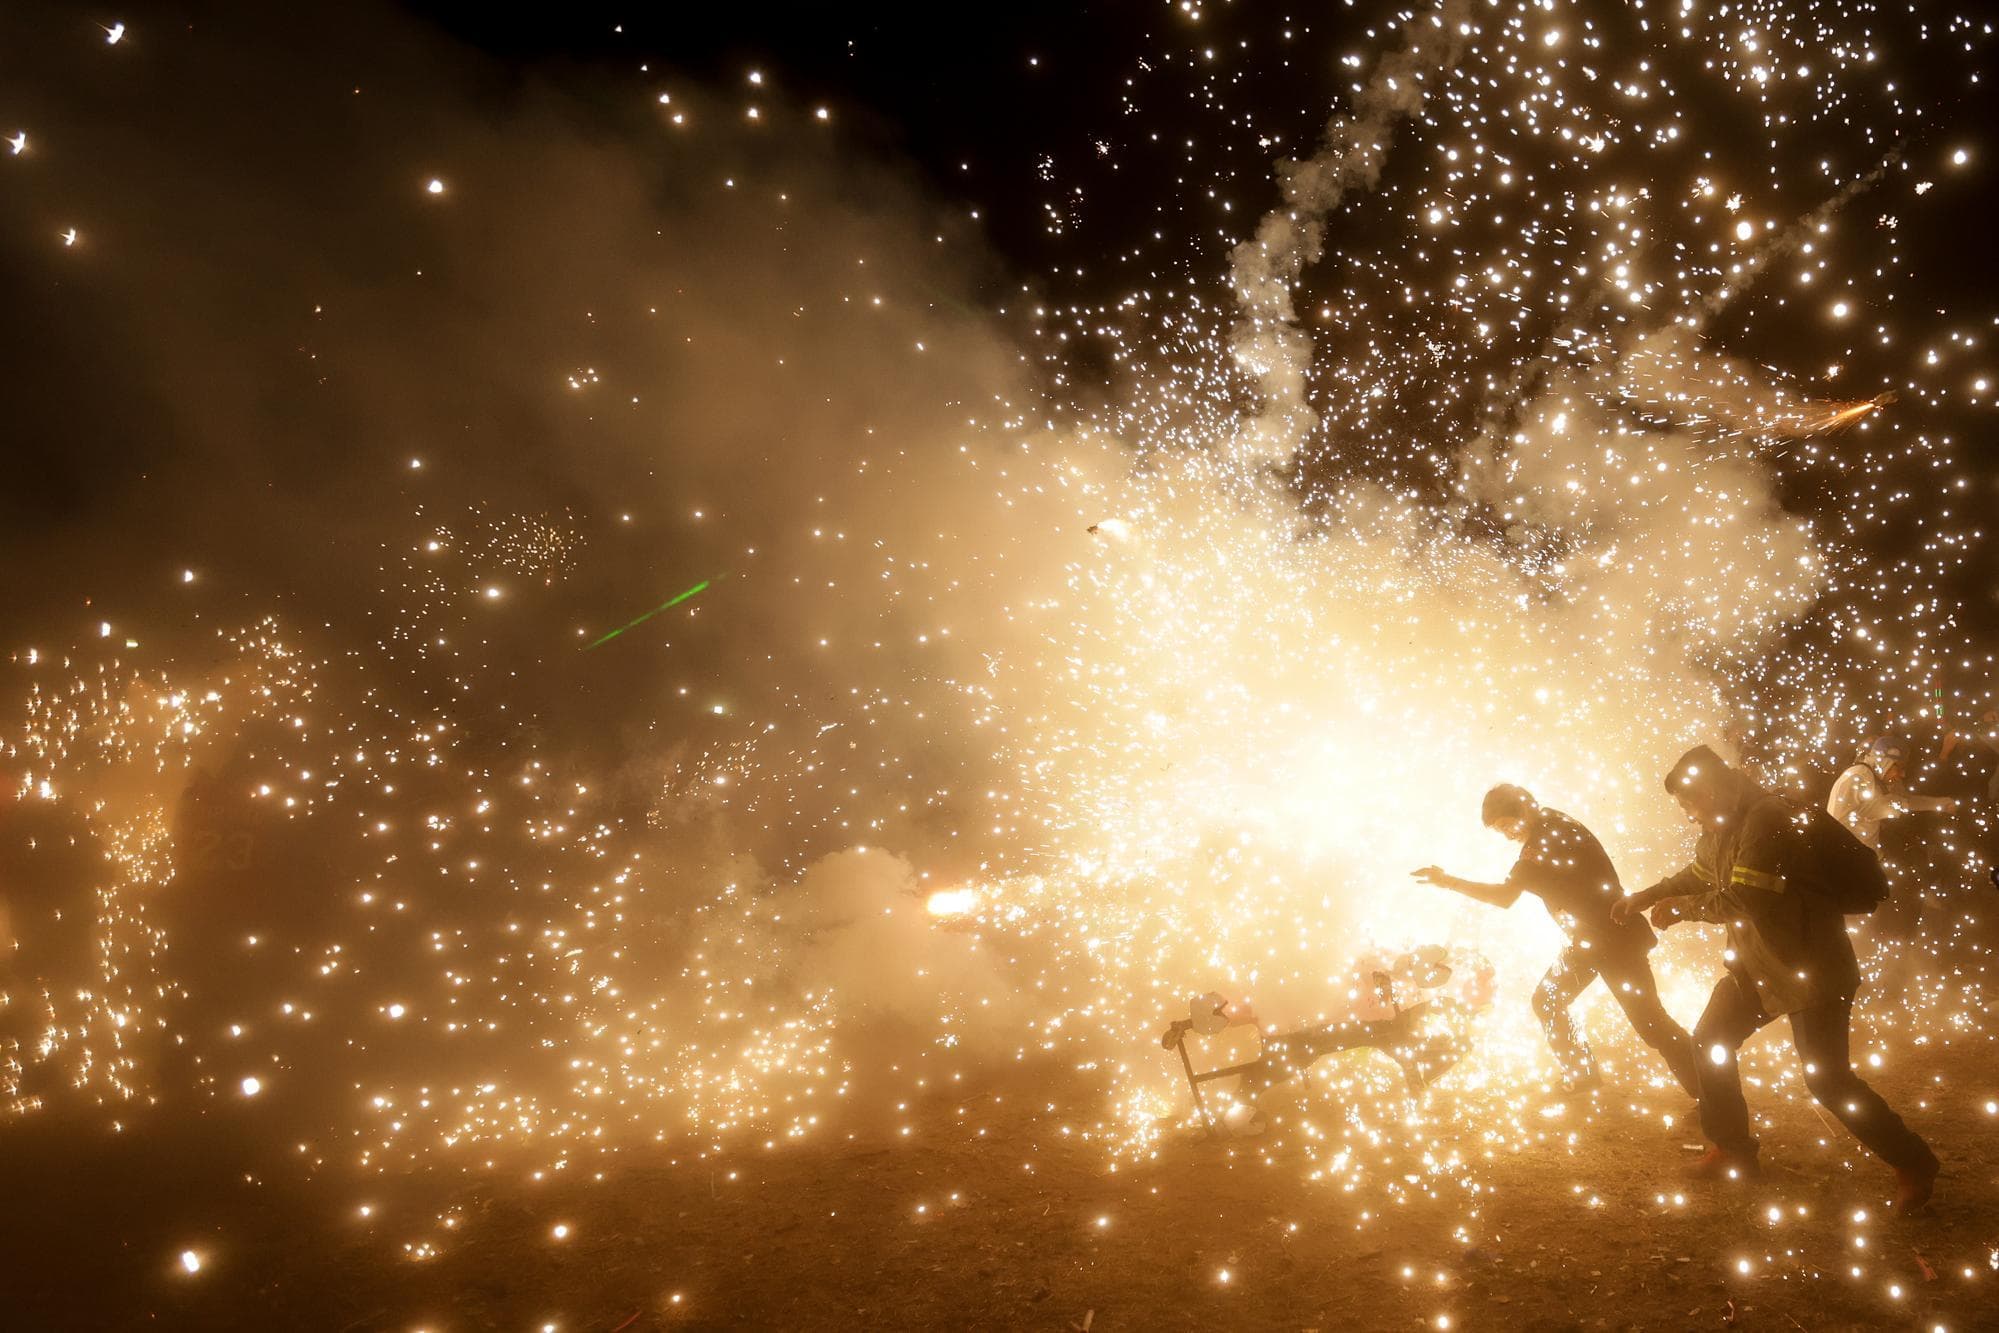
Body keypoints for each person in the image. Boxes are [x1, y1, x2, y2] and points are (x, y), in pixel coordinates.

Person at [1611, 746, 1939, 1213]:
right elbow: (1701, 872)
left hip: (1811, 969)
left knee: (1828, 1080)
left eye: (1689, 805)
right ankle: (1733, 1151)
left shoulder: (1766, 819)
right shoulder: (1723, 826)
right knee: (1711, 1041)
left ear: (1707, 792)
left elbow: (1746, 897)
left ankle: (1914, 1160)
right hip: (1757, 967)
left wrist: (1683, 910)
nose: (1688, 817)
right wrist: (1647, 895)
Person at [1412, 785, 1699, 1097]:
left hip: (1614, 941)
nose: (1508, 835)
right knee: (1547, 1001)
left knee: (1651, 1023)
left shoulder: (1545, 841)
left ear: (1525, 809)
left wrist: (1449, 882)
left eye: (1507, 826)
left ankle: (1710, 1092)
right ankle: (1583, 1075)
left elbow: (1504, 896)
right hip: (1589, 942)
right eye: (1500, 831)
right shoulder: (1554, 825)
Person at [1827, 735, 1959, 850]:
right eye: (1900, 767)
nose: (1902, 774)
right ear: (1885, 761)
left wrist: (1941, 804)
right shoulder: (1859, 775)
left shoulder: (1882, 779)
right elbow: (1835, 823)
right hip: (1847, 856)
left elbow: (1907, 801)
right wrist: (1887, 805)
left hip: (1867, 856)